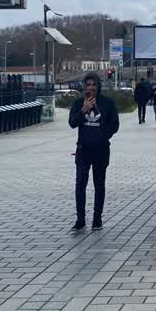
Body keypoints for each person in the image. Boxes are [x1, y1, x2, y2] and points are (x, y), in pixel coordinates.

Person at [68, 72, 119, 231]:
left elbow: (115, 124)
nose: (91, 88)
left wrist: (104, 134)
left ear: (98, 86)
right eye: (88, 85)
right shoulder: (78, 103)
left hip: (101, 149)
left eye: (94, 85)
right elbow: (72, 123)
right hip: (83, 149)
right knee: (80, 183)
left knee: (99, 184)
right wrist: (84, 110)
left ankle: (97, 218)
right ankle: (80, 219)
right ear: (84, 87)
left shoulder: (107, 103)